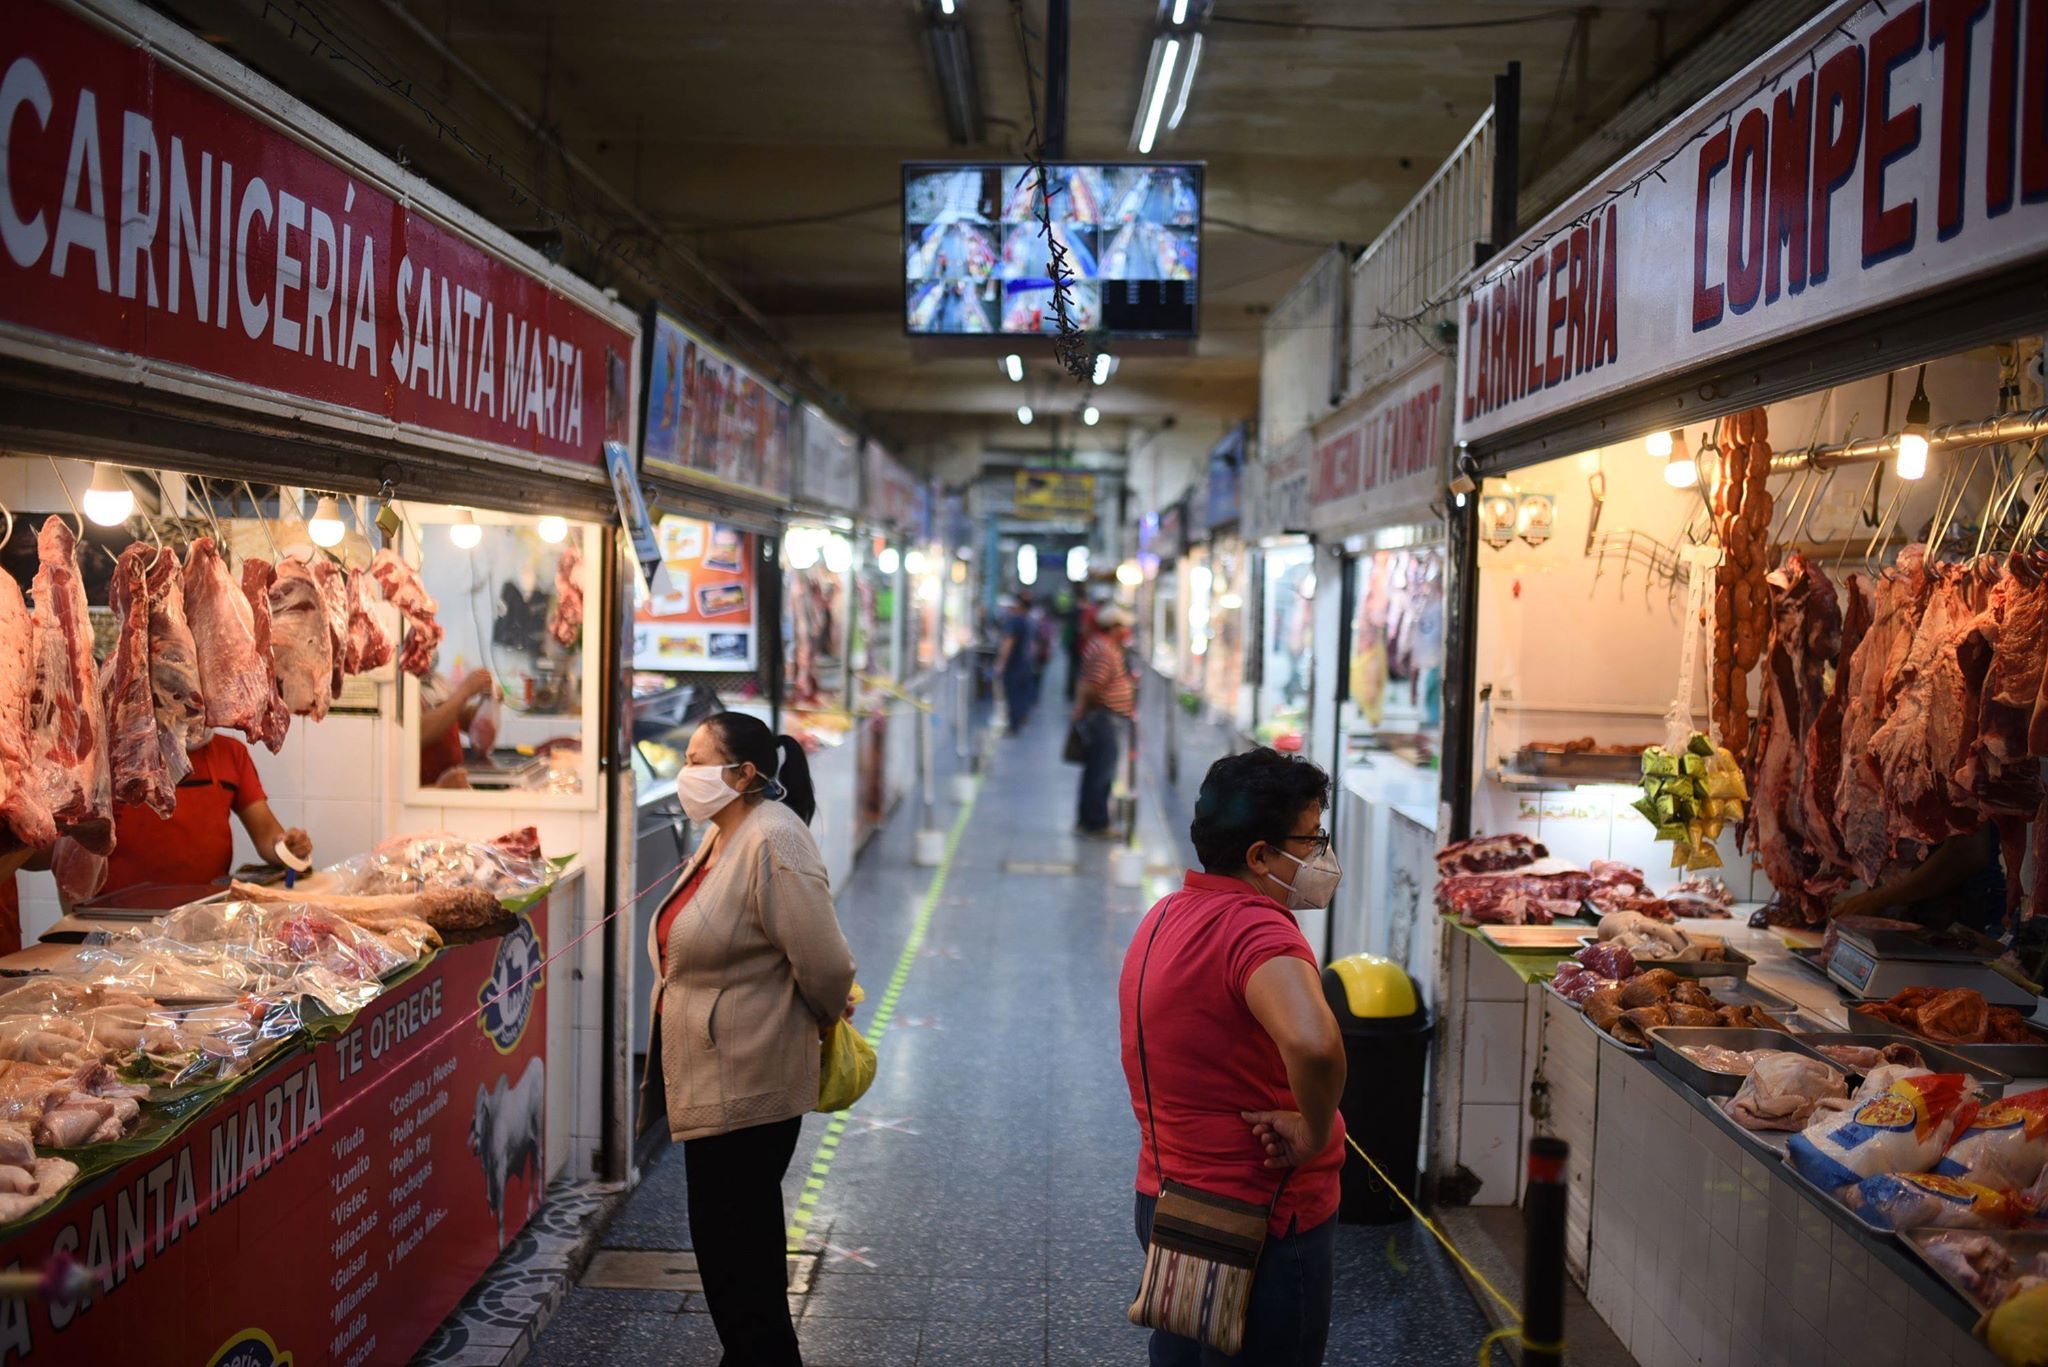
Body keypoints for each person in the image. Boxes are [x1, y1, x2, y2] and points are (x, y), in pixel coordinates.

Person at [1120, 748, 1348, 1366]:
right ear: (1259, 856)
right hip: (1261, 1221)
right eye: (1312, 838)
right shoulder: (1257, 931)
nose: (1322, 856)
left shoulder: (1166, 914)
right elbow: (1315, 1043)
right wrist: (1316, 1127)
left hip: (1171, 1202)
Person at [650, 712, 856, 1366]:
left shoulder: (774, 840)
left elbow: (825, 966)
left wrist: (821, 1016)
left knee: (743, 1270)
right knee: (734, 1264)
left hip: (749, 1079)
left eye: (696, 759)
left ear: (744, 774)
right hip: (714, 1075)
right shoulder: (724, 834)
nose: (685, 774)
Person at [101, 729, 310, 895]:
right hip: (115, 914)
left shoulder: (230, 753)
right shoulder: (115, 752)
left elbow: (267, 836)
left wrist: (287, 848)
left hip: (204, 911)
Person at [1830, 824, 2009, 935]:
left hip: (1959, 925)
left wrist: (1876, 899)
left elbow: (1967, 854)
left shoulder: (1960, 767)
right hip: (1904, 918)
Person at [1073, 605, 1138, 838]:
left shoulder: (1104, 647)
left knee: (1097, 771)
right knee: (1101, 773)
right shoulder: (1105, 651)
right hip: (1105, 718)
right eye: (1123, 626)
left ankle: (1089, 819)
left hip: (1105, 717)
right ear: (1114, 627)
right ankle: (1096, 822)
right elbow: (1093, 685)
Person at [420, 665, 495, 787]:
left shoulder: (437, 680)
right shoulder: (404, 686)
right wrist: (465, 692)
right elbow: (418, 733)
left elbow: (463, 719)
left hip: (451, 782)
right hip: (425, 789)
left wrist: (487, 700)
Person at [993, 590, 1040, 734]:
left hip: (1015, 665)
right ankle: (1020, 717)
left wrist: (1000, 663)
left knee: (1013, 694)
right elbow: (1034, 645)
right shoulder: (1030, 621)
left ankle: (1013, 725)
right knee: (1021, 694)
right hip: (1026, 663)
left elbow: (1008, 643)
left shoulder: (1015, 621)